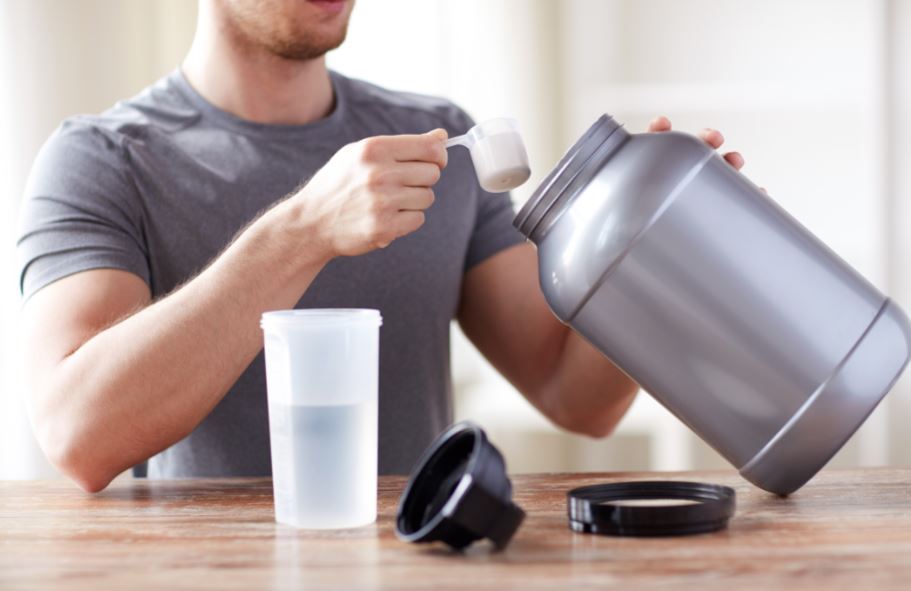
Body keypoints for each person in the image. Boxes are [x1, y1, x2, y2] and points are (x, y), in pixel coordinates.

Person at [16, 0, 746, 493]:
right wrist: (300, 233)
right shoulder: (102, 159)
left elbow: (574, 394)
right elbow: (79, 434)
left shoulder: (440, 138)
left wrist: (652, 263)